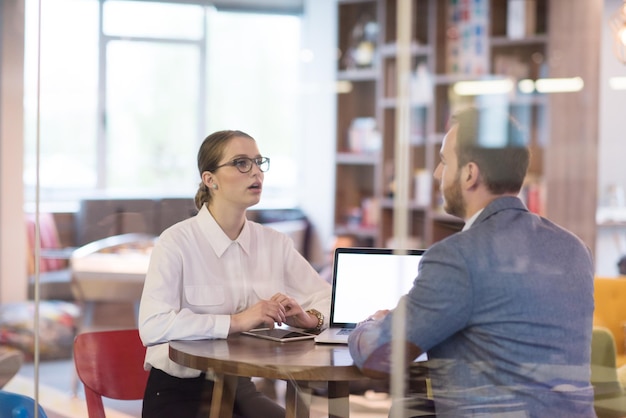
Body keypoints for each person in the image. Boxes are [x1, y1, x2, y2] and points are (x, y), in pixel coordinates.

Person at [348, 106, 596, 417]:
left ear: (469, 173)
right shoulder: (574, 249)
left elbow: (377, 357)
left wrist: (371, 323)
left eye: (443, 161)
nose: (438, 174)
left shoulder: (457, 257)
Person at [138, 130, 331, 418]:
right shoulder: (176, 242)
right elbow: (152, 325)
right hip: (178, 394)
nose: (256, 172)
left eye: (258, 162)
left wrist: (308, 317)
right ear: (210, 179)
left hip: (240, 390)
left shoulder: (274, 244)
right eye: (241, 163)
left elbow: (329, 298)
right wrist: (236, 321)